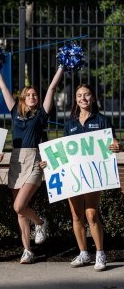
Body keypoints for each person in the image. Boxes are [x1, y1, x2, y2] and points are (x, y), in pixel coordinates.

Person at [41, 84, 122, 271]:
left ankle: (100, 254)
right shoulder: (69, 125)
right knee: (76, 216)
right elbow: (63, 153)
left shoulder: (102, 120)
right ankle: (84, 253)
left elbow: (113, 142)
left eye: (86, 95)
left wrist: (116, 145)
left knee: (91, 214)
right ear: (75, 100)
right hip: (73, 176)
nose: (83, 98)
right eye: (79, 95)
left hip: (94, 176)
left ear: (92, 98)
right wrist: (48, 162)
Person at [0, 63, 64, 264]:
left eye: (35, 95)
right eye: (29, 95)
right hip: (16, 161)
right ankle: (27, 250)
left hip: (34, 161)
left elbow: (51, 88)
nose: (33, 97)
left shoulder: (41, 115)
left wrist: (60, 67)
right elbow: (4, 88)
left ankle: (40, 222)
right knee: (20, 212)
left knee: (19, 205)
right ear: (23, 98)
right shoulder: (15, 111)